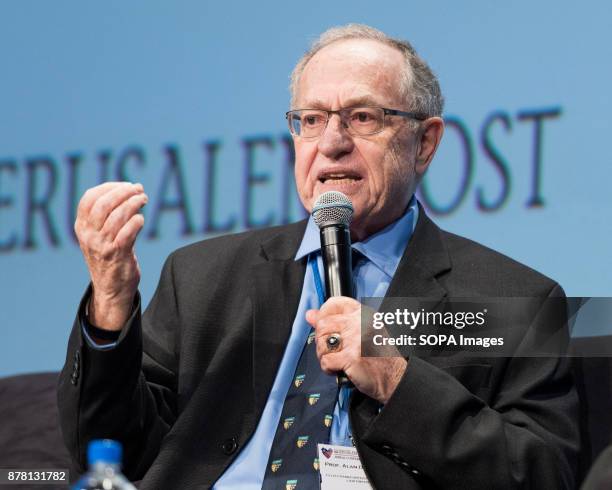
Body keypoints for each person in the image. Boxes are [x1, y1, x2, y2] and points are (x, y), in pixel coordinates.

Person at [58, 24, 580, 489]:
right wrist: (110, 301)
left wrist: (399, 381)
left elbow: (544, 472)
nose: (330, 143)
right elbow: (108, 451)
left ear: (425, 143)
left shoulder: (516, 300)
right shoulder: (202, 276)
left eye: (362, 116)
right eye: (310, 119)